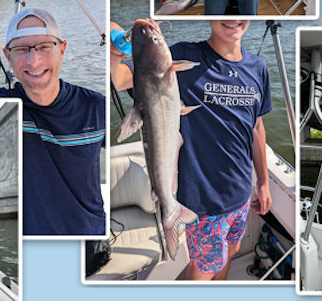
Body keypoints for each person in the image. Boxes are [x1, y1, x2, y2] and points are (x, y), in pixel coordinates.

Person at [110, 18, 273, 280]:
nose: (232, 19)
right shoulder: (184, 55)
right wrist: (114, 52)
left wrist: (263, 182)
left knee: (232, 250)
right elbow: (120, 79)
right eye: (222, 13)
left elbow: (256, 126)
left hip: (241, 193)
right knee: (202, 270)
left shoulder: (258, 67)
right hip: (203, 201)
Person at [0, 9, 106, 235]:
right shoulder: (2, 106)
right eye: (21, 49)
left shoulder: (96, 106)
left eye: (44, 47)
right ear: (7, 56)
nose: (34, 60)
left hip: (90, 241)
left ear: (62, 50)